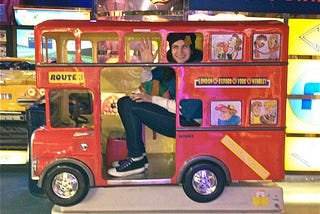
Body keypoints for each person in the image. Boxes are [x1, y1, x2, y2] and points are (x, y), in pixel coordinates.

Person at [108, 33, 202, 177]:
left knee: (128, 105)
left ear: (192, 48)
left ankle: (137, 158)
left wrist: (151, 99)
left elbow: (183, 110)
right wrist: (146, 67)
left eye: (185, 47)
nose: (180, 52)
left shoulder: (198, 70)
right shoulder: (171, 68)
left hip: (190, 124)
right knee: (126, 102)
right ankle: (138, 156)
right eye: (175, 47)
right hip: (177, 119)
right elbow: (149, 80)